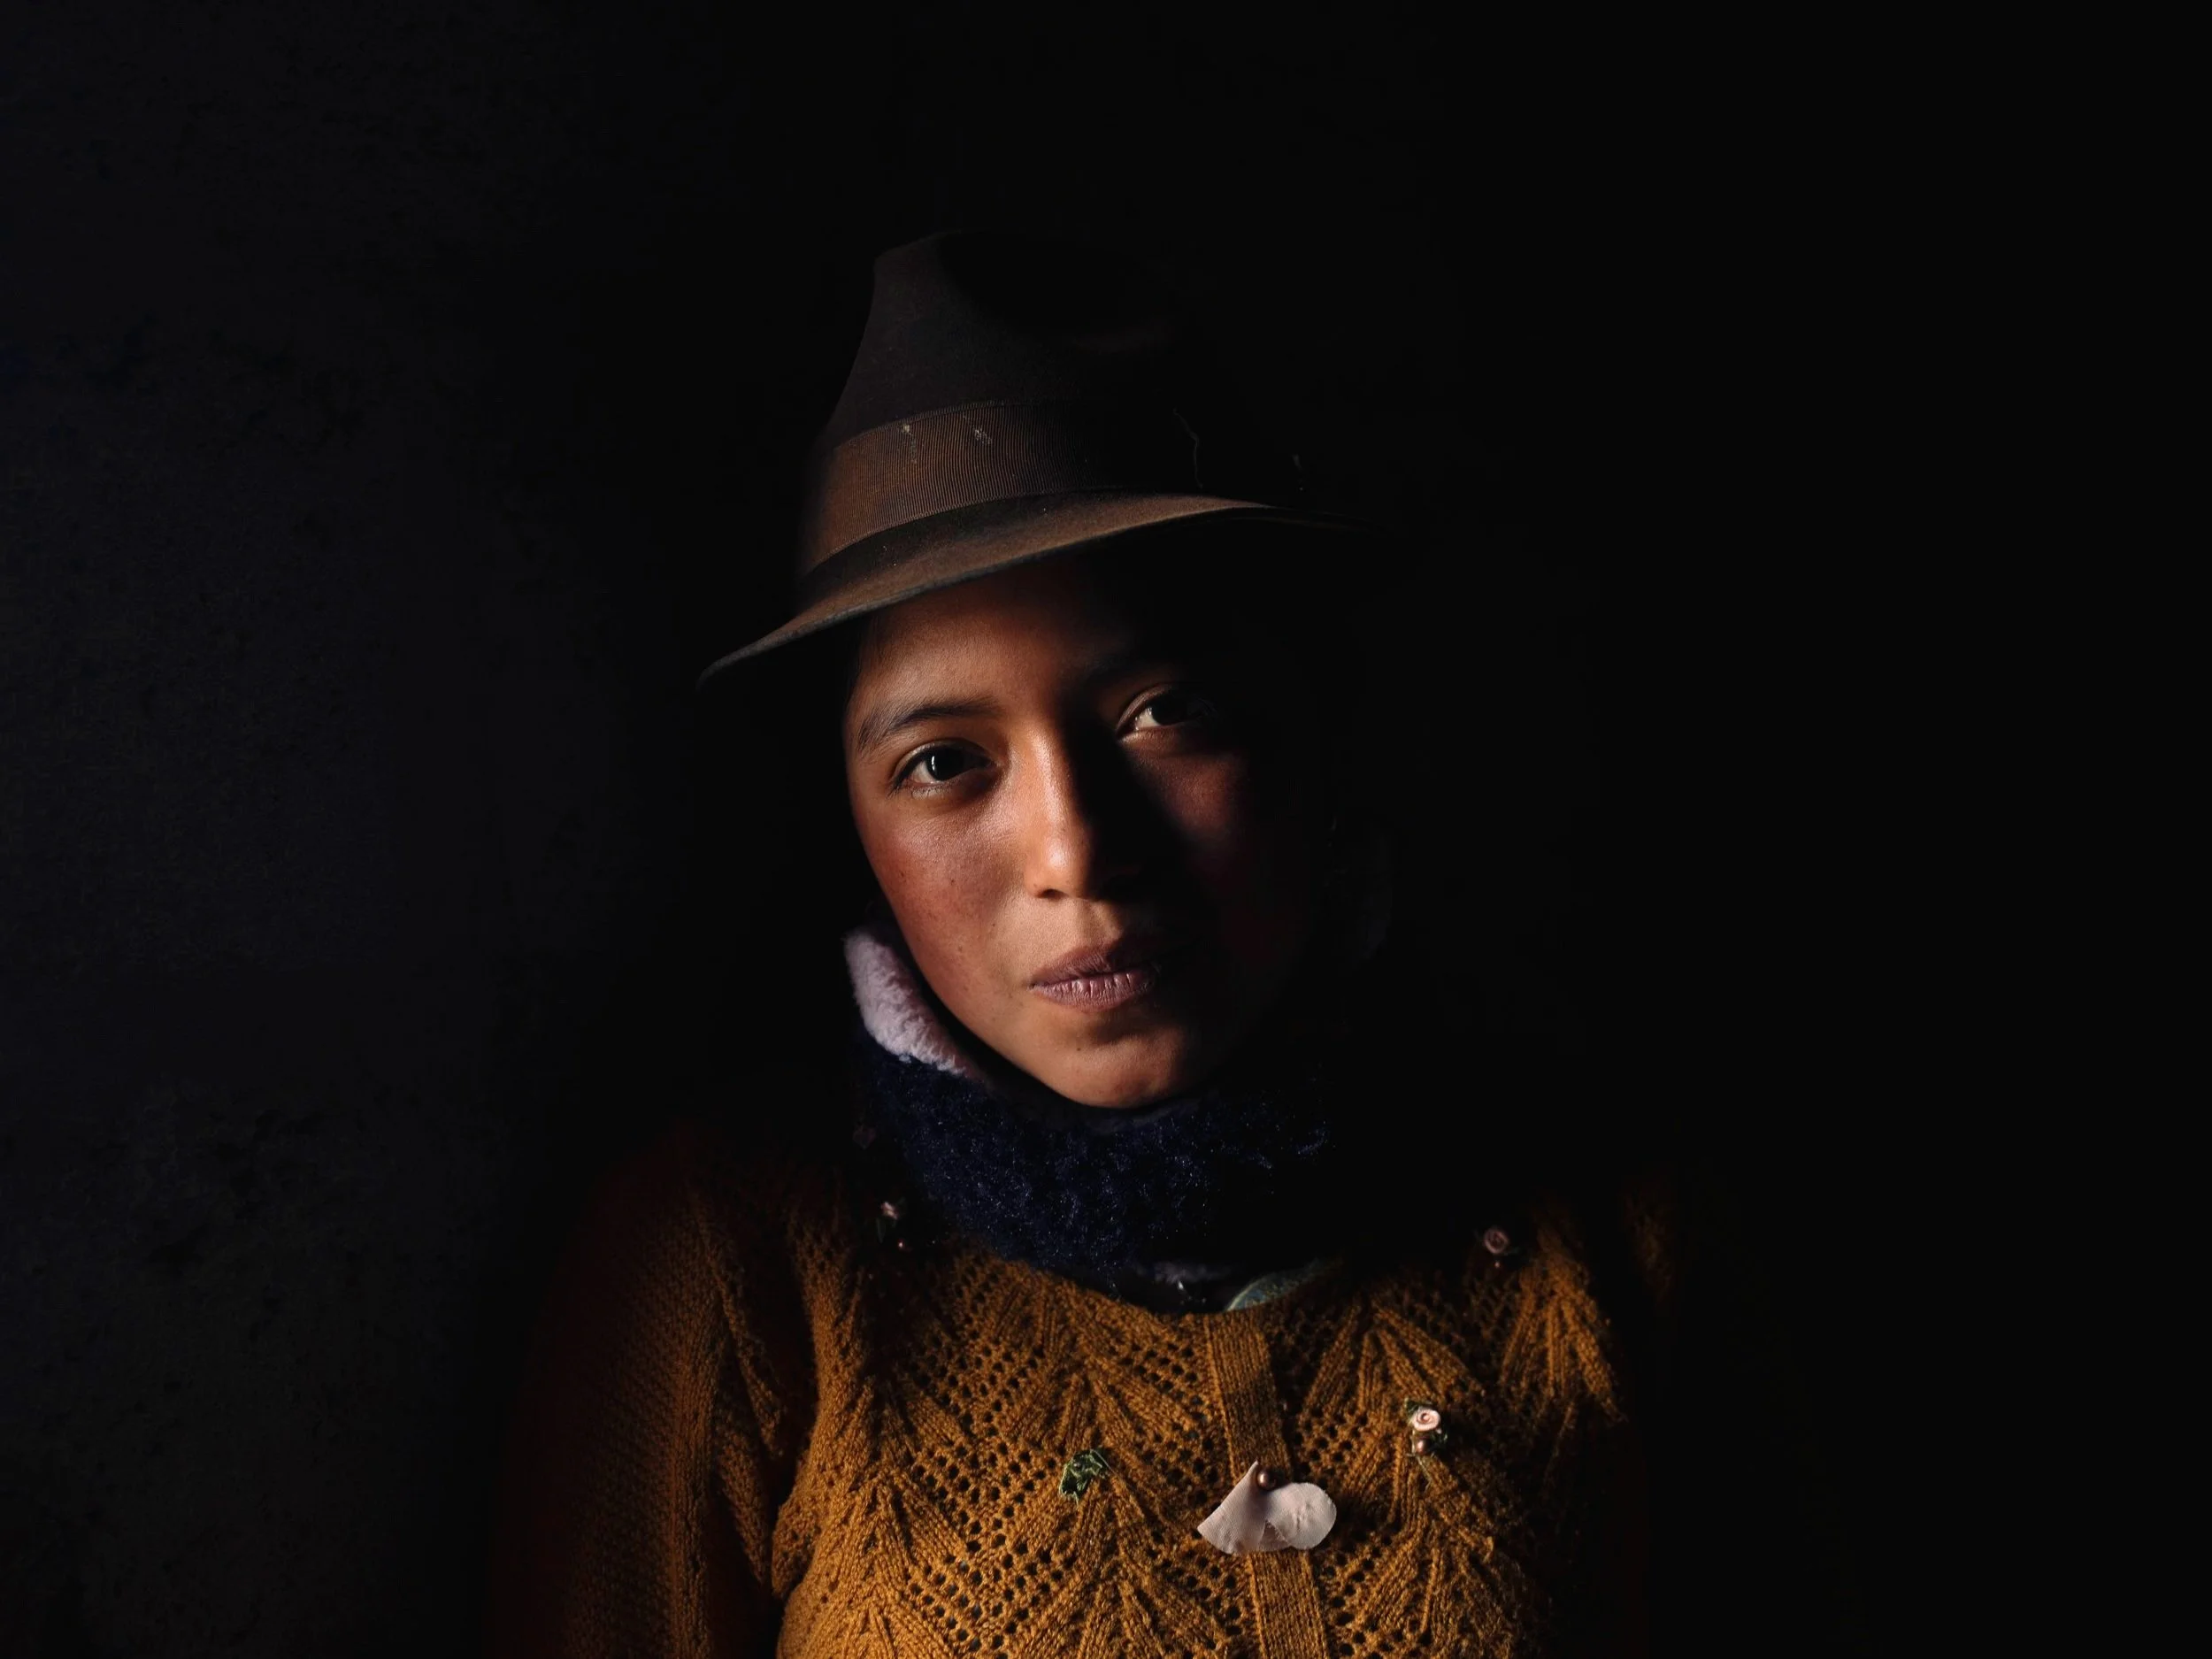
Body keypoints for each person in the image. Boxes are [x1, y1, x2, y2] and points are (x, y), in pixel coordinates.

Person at [488, 231, 1685, 1657]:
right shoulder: (735, 1276)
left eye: (1166, 710)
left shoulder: (1601, 1239)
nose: (1075, 853)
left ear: (1312, 733)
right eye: (944, 762)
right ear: (851, 822)